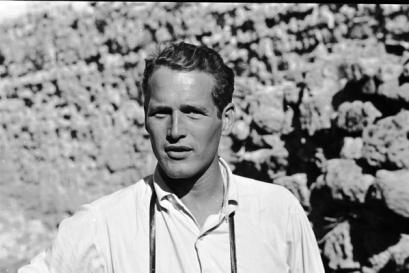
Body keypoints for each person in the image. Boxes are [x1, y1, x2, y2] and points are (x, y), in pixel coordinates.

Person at [18, 42, 325, 273]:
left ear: (227, 118)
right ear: (145, 119)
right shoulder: (102, 227)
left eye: (193, 113)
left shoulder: (278, 212)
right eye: (161, 113)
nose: (175, 131)